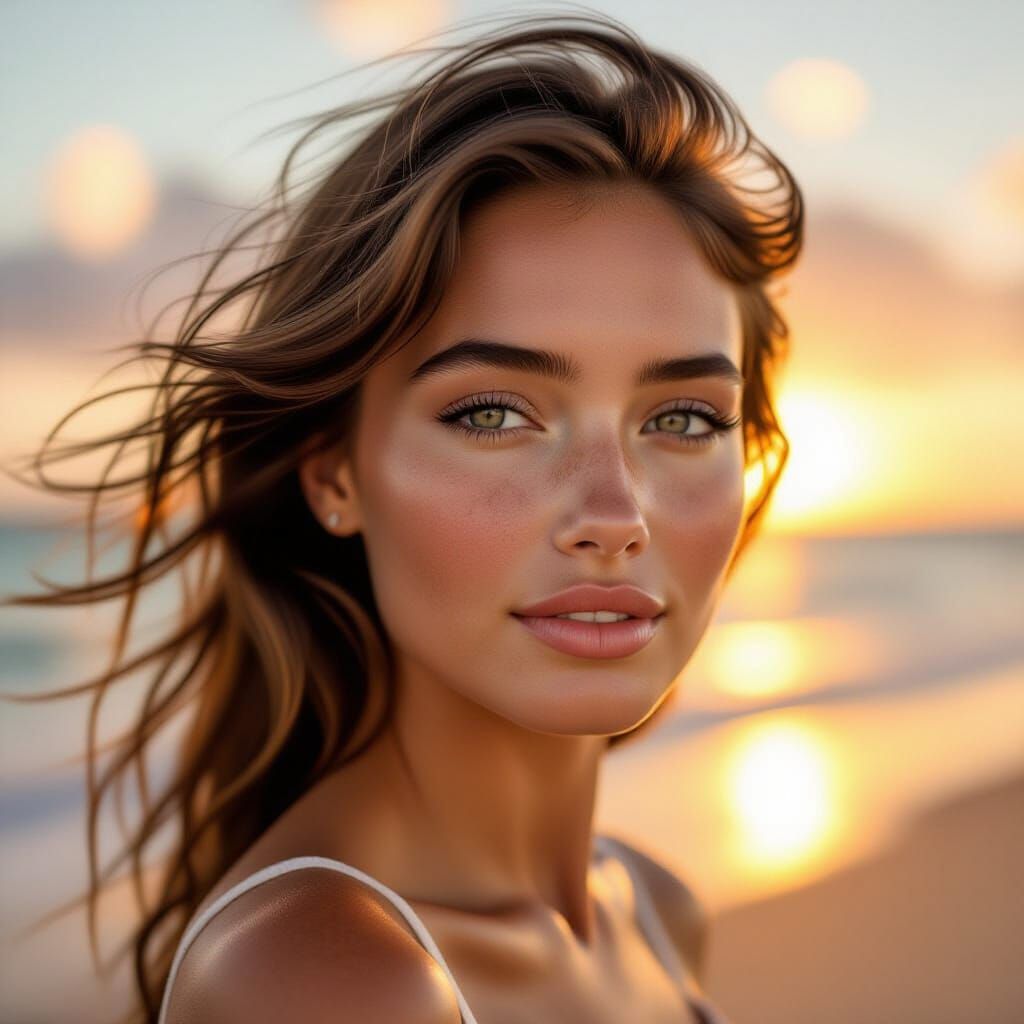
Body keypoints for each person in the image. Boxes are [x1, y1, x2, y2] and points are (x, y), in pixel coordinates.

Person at [3, 9, 802, 1022]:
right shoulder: (321, 980)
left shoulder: (653, 907)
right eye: (493, 413)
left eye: (683, 416)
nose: (613, 513)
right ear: (333, 471)